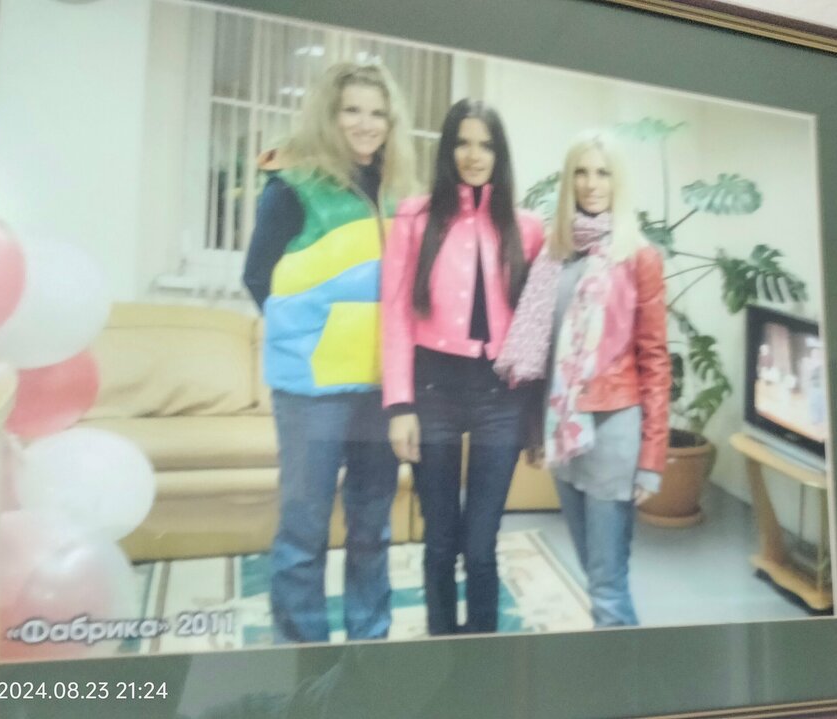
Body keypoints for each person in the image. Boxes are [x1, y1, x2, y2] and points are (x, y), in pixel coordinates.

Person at [241, 62, 417, 644]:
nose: (366, 124)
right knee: (304, 530)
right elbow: (258, 277)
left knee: (372, 528)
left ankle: (371, 645)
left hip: (379, 389)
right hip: (311, 390)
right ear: (329, 115)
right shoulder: (292, 185)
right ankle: (301, 656)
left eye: (378, 112)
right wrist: (311, 336)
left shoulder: (398, 193)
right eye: (352, 110)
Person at [380, 99, 545, 636]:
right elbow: (395, 315)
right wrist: (400, 405)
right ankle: (441, 648)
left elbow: (541, 326)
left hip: (501, 395)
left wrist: (538, 418)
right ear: (448, 149)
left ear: (500, 154)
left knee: (480, 545)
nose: (474, 156)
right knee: (440, 541)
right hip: (434, 391)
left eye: (486, 145)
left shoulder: (528, 228)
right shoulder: (415, 218)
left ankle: (481, 655)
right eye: (463, 143)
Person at [495, 132, 669, 627]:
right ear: (569, 180)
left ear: (618, 182)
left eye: (603, 173)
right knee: (592, 572)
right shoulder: (555, 254)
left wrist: (652, 459)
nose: (592, 184)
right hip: (563, 432)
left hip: (613, 429)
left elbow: (655, 359)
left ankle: (625, 667)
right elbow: (543, 352)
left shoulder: (639, 256)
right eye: (582, 172)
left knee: (608, 583)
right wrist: (534, 431)